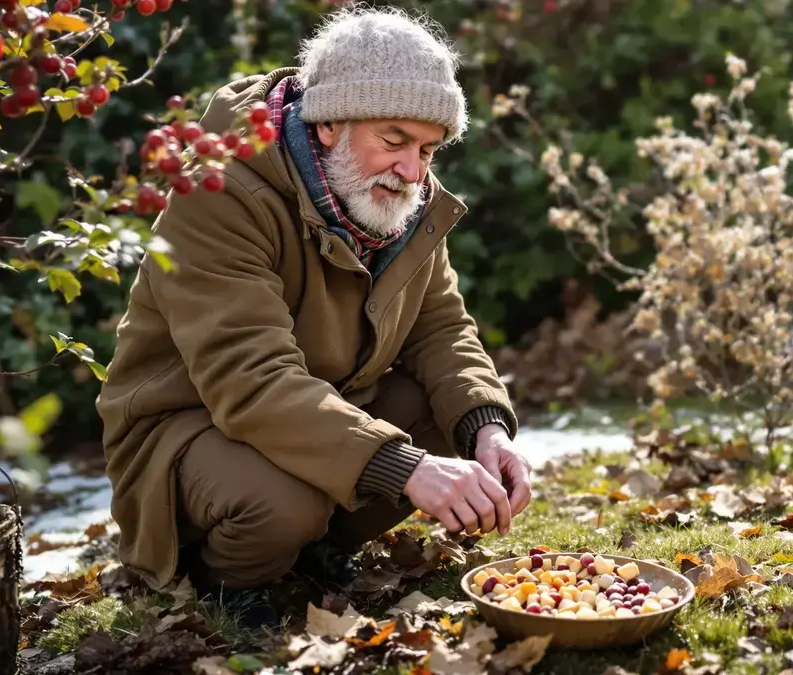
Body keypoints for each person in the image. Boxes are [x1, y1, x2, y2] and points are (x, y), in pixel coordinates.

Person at [95, 4, 532, 627]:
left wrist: (487, 429)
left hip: (317, 411)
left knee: (449, 420)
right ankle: (224, 581)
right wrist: (405, 467)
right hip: (189, 426)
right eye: (394, 141)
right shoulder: (219, 192)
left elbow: (441, 328)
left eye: (428, 149)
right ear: (328, 123)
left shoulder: (401, 196)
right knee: (284, 502)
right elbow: (249, 379)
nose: (412, 171)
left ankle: (314, 552)